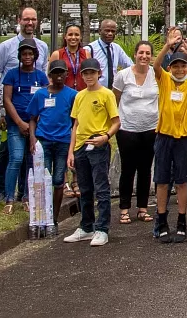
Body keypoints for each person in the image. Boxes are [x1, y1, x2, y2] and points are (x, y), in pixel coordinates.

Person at [0, 8, 49, 205]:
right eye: (26, 19)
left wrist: (37, 119)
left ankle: (24, 195)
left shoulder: (43, 47)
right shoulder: (6, 47)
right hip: (12, 116)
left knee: (29, 159)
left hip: (34, 121)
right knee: (9, 154)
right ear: (19, 20)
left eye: (33, 19)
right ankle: (3, 193)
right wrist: (2, 112)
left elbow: (43, 83)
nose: (30, 22)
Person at [61, 58, 119, 246]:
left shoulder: (107, 94)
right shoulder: (79, 96)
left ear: (99, 73)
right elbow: (75, 125)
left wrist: (106, 136)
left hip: (98, 143)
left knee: (101, 187)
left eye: (92, 73)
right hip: (80, 146)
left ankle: (102, 228)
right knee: (84, 188)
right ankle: (87, 226)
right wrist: (71, 151)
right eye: (86, 73)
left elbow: (116, 122)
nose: (89, 76)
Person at [152, 47, 187, 243]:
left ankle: (182, 221)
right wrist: (166, 46)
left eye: (183, 66)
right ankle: (162, 220)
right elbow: (155, 66)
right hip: (164, 136)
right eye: (176, 66)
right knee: (162, 181)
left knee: (182, 181)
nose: (179, 70)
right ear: (170, 68)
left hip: (183, 138)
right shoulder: (164, 80)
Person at [113, 39, 158, 226]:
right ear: (135, 54)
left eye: (148, 53)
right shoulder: (123, 75)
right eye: (141, 53)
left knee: (145, 169)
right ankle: (124, 209)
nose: (144, 56)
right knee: (128, 169)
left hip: (150, 129)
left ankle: (142, 207)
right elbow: (114, 100)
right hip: (127, 130)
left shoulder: (156, 74)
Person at [30, 60, 78, 227]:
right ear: (49, 76)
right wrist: (32, 139)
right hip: (44, 140)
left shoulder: (72, 95)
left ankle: (54, 218)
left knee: (58, 179)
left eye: (62, 73)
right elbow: (32, 118)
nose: (59, 76)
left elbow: (75, 120)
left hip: (63, 141)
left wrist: (73, 142)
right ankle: (42, 216)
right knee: (42, 179)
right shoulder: (40, 94)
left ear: (67, 74)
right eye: (55, 73)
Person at [85, 19, 133, 91]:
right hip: (96, 91)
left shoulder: (116, 48)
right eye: (107, 30)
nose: (110, 33)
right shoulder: (89, 49)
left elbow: (130, 65)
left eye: (113, 31)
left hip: (113, 92)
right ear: (99, 31)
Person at [51, 25, 86, 91]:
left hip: (82, 94)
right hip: (63, 94)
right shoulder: (57, 54)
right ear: (65, 36)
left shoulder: (86, 53)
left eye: (76, 35)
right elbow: (50, 77)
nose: (73, 37)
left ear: (81, 37)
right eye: (70, 34)